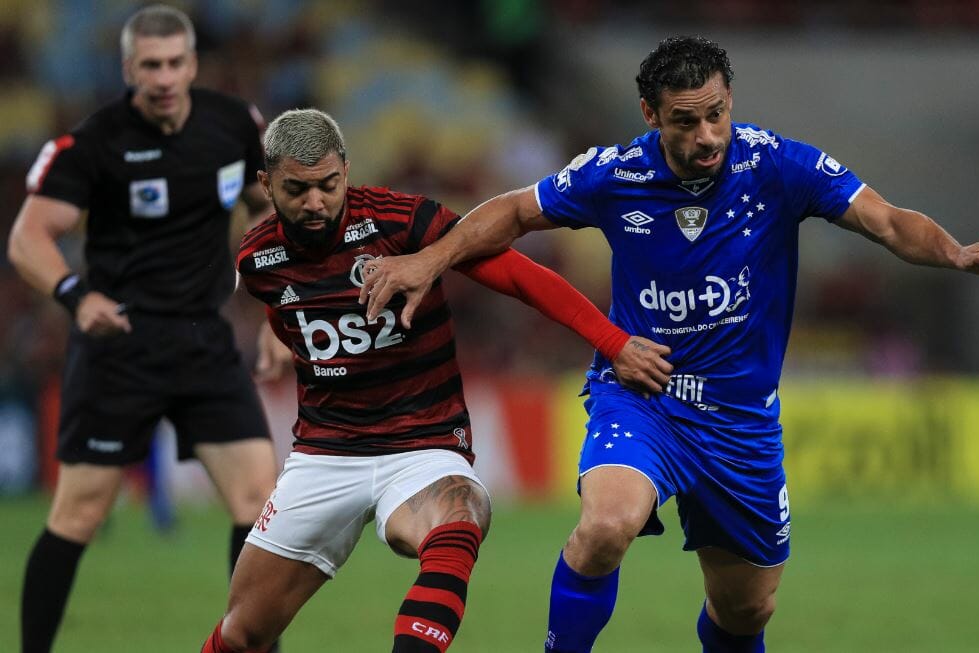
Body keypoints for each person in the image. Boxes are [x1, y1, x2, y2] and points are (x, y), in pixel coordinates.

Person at [359, 35, 979, 653]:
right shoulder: (614, 174)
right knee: (607, 525)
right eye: (686, 120)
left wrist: (955, 252)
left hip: (742, 422)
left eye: (716, 112)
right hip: (644, 398)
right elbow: (512, 211)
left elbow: (888, 222)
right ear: (650, 114)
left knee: (746, 609)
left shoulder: (778, 166)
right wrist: (431, 259)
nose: (708, 133)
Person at [199, 108, 670, 653]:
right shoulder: (258, 259)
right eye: (297, 189)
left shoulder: (401, 223)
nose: (315, 202)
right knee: (243, 632)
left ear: (346, 172)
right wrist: (272, 333)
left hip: (423, 444)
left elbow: (519, 275)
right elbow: (290, 304)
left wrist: (612, 343)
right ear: (266, 184)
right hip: (324, 453)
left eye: (328, 185)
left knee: (462, 512)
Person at [7, 6, 280, 652]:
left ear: (193, 65)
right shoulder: (95, 142)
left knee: (260, 505)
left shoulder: (233, 126)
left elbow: (269, 212)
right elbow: (27, 237)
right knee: (77, 514)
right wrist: (75, 295)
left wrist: (278, 314)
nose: (163, 77)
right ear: (129, 69)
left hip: (204, 338)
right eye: (150, 65)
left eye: (175, 63)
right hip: (118, 346)